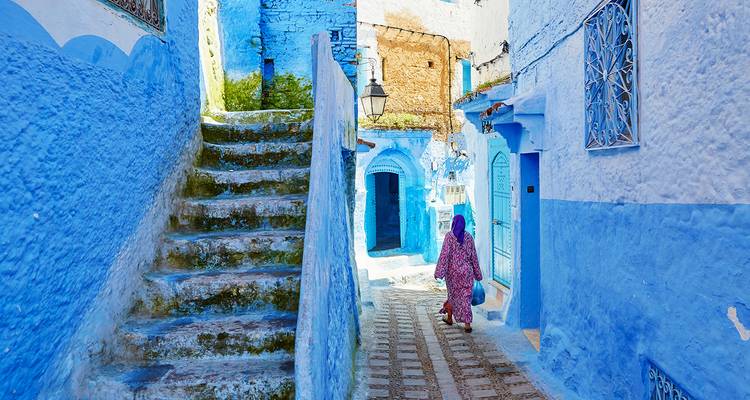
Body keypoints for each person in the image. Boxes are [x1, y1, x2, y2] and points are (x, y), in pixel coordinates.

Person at [435, 214, 483, 333]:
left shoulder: (449, 237)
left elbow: (444, 256)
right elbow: (474, 257)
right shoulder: (469, 237)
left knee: (453, 296)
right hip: (467, 273)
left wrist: (439, 272)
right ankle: (467, 324)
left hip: (453, 274)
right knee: (466, 298)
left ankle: (450, 317)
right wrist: (478, 274)